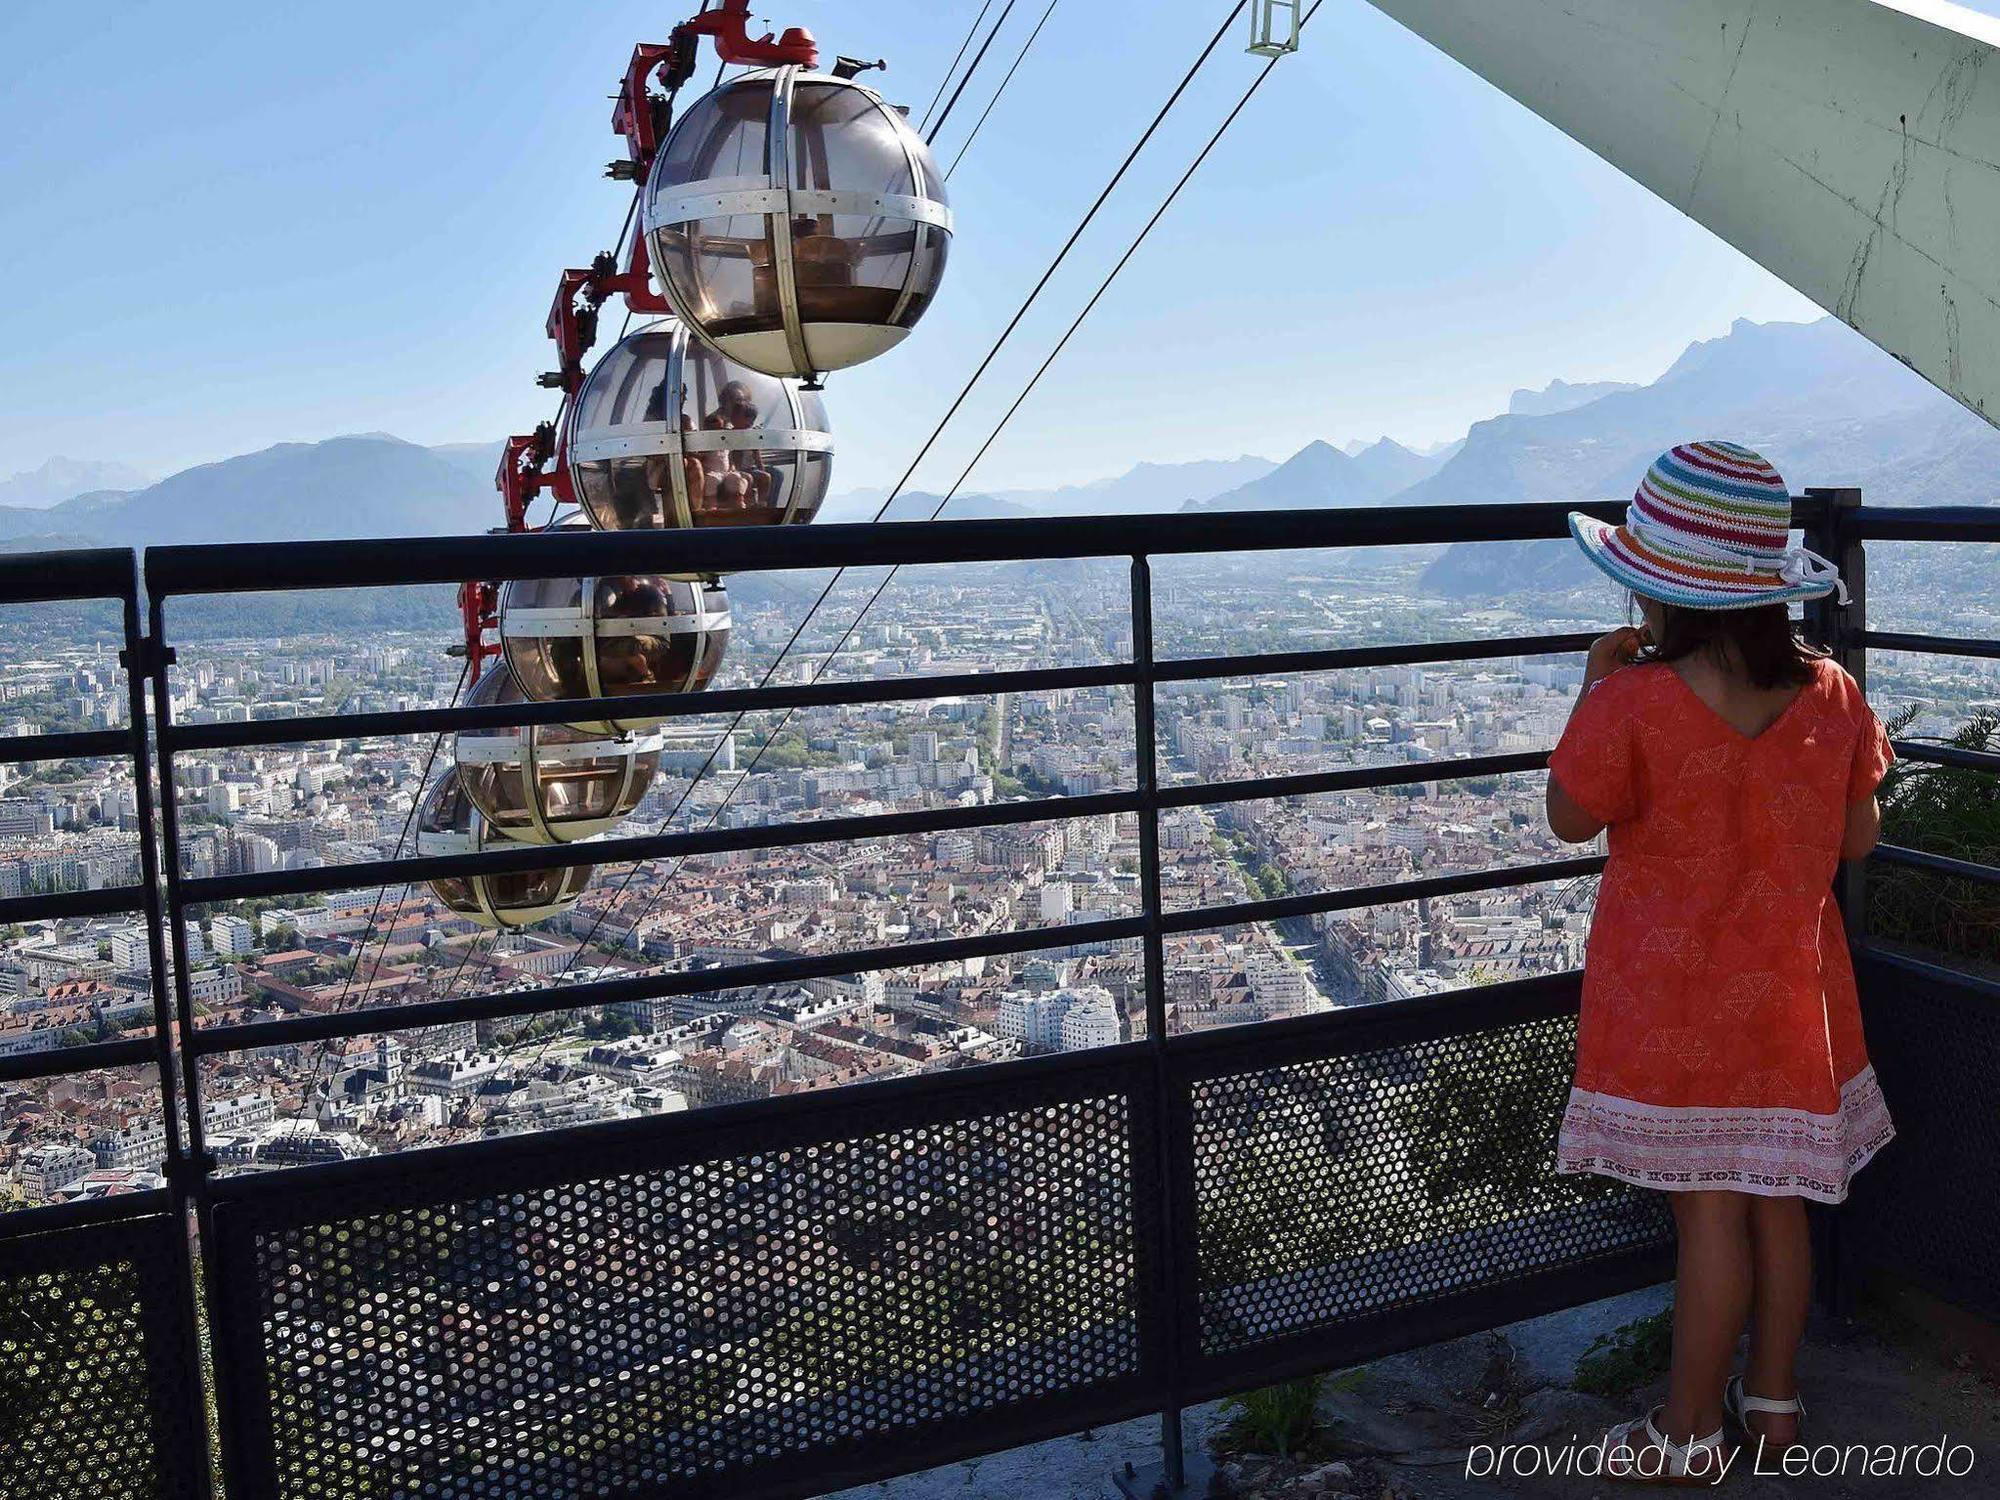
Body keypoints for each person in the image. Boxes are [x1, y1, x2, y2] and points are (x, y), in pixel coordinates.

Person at [1546, 440, 1896, 1482]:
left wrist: (1587, 687)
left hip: (1673, 1002)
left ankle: (1687, 1434)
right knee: (1777, 1199)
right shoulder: (1830, 691)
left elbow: (1570, 820)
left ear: (1659, 594)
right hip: (1791, 989)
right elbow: (1857, 839)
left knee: (1706, 1213)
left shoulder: (1630, 702)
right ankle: (1773, 1404)